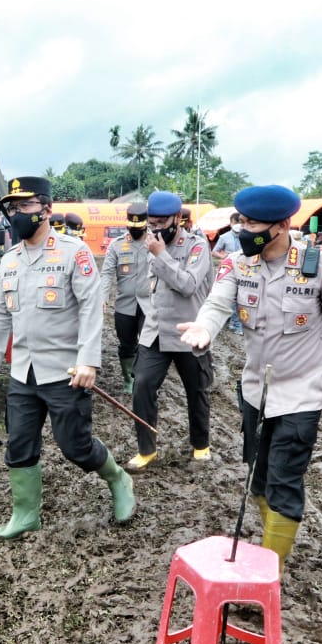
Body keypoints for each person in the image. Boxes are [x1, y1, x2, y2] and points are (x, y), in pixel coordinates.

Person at [179, 185, 322, 565]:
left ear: (282, 225)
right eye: (242, 222)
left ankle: (271, 569)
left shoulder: (321, 266)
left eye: (253, 224)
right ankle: (273, 547)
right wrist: (203, 328)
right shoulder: (237, 263)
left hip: (302, 393)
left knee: (284, 480)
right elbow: (217, 303)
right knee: (259, 476)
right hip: (256, 391)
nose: (244, 230)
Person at [0, 176, 136, 539]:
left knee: (75, 446)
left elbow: (90, 309)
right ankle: (25, 515)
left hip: (65, 371)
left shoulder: (73, 252)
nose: (17, 214)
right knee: (19, 443)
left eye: (26, 206)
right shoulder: (10, 261)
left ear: (47, 210)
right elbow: (1, 316)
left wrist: (88, 361)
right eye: (13, 208)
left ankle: (118, 478)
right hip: (23, 372)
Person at [127, 191, 215, 469]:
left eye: (162, 222)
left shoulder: (197, 247)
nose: (155, 228)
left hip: (189, 330)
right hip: (155, 330)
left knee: (196, 390)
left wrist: (161, 254)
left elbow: (187, 285)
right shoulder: (151, 243)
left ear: (177, 218)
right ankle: (147, 449)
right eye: (151, 223)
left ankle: (201, 445)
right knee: (141, 385)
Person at [101, 200, 152, 392]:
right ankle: (129, 379)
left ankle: (144, 380)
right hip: (125, 305)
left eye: (139, 227)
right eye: (131, 226)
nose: (135, 230)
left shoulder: (155, 242)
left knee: (148, 346)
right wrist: (103, 296)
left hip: (150, 305)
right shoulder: (117, 245)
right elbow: (106, 273)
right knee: (126, 345)